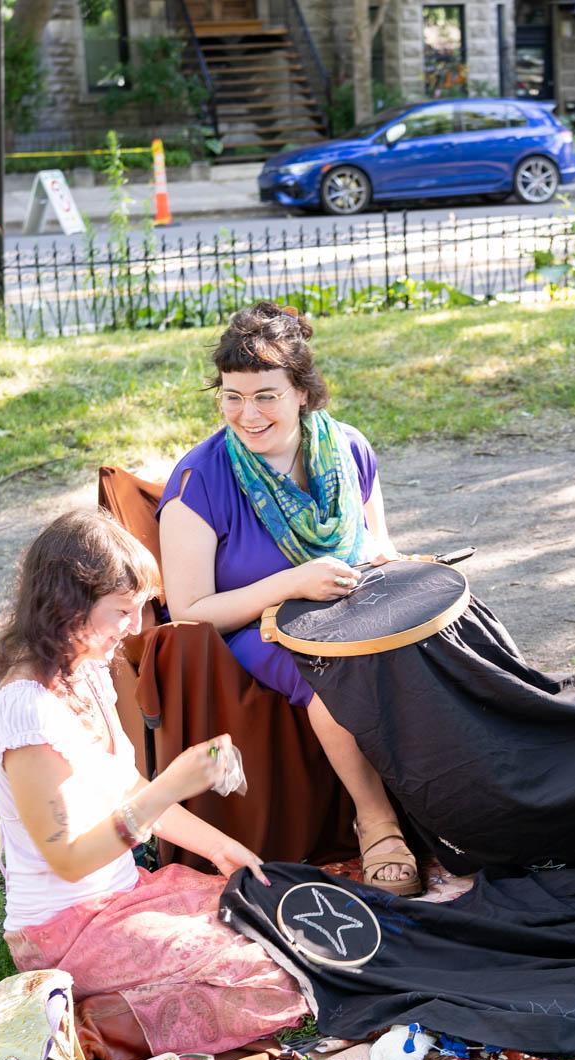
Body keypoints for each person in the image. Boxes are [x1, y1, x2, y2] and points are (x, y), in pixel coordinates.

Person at [0, 508, 307, 1060]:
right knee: (271, 978)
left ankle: (137, 997)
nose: (135, 627)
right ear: (67, 607)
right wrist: (170, 784)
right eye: (121, 612)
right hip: (64, 929)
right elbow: (68, 860)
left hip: (123, 894)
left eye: (139, 610)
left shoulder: (86, 673)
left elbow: (122, 785)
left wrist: (222, 849)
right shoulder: (26, 715)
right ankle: (92, 1027)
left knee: (288, 931)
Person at [157, 302, 422, 896]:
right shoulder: (198, 482)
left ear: (303, 392)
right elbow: (190, 611)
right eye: (232, 396)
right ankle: (376, 821)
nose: (247, 414)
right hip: (259, 627)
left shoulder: (349, 449)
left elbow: (377, 546)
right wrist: (291, 584)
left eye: (266, 396)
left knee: (436, 647)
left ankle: (454, 800)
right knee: (336, 673)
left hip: (351, 604)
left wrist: (404, 573)